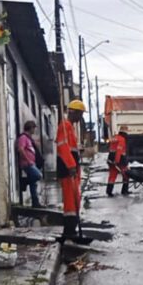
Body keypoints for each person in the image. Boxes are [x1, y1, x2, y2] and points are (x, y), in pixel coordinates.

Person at [56, 99, 87, 240]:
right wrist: (71, 166)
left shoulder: (69, 127)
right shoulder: (65, 126)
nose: (81, 117)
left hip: (71, 168)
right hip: (68, 169)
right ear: (74, 113)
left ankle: (71, 229)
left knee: (75, 199)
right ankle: (69, 230)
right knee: (70, 200)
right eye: (80, 114)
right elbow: (63, 147)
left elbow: (70, 148)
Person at [16, 120, 43, 208]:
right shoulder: (23, 137)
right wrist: (28, 160)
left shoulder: (29, 138)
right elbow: (21, 149)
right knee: (38, 175)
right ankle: (24, 181)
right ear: (30, 128)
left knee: (33, 183)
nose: (34, 130)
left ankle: (35, 202)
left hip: (32, 163)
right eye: (33, 128)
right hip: (27, 163)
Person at [106, 124, 130, 196]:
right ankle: (124, 191)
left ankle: (109, 191)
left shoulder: (114, 138)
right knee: (126, 175)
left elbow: (111, 149)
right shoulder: (122, 139)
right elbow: (119, 151)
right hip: (119, 160)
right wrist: (117, 161)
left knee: (112, 176)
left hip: (110, 158)